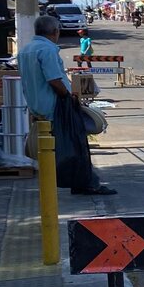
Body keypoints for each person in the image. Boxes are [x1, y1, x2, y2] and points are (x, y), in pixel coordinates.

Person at [18, 16, 115, 195]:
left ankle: (80, 182)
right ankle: (86, 184)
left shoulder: (25, 50)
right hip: (56, 105)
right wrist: (68, 97)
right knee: (77, 143)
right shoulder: (47, 50)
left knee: (65, 146)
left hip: (36, 106)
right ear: (55, 32)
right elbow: (54, 80)